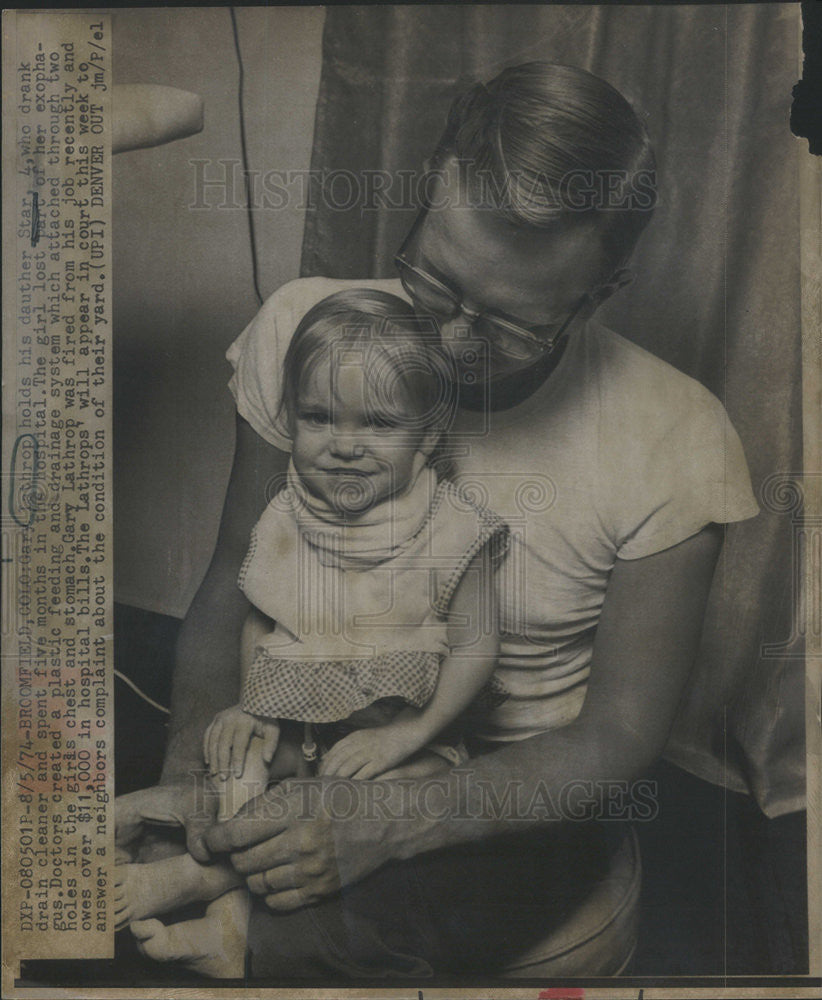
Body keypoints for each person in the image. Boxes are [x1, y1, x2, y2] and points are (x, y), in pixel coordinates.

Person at [115, 62, 759, 978]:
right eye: (435, 283)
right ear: (427, 195)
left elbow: (616, 737)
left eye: (507, 324)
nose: (453, 343)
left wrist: (391, 823)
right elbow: (234, 572)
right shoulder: (307, 328)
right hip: (304, 718)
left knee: (323, 931)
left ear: (602, 291)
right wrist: (196, 769)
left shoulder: (680, 434)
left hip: (510, 781)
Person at [114, 289, 508, 975]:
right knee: (238, 771)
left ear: (428, 436)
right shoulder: (290, 513)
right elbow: (264, 614)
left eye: (380, 425)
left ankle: (193, 881)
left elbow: (477, 646)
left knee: (352, 809)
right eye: (319, 418)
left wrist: (406, 735)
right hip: (295, 723)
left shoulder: (450, 528)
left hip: (401, 740)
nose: (345, 447)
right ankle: (218, 907)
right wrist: (252, 705)